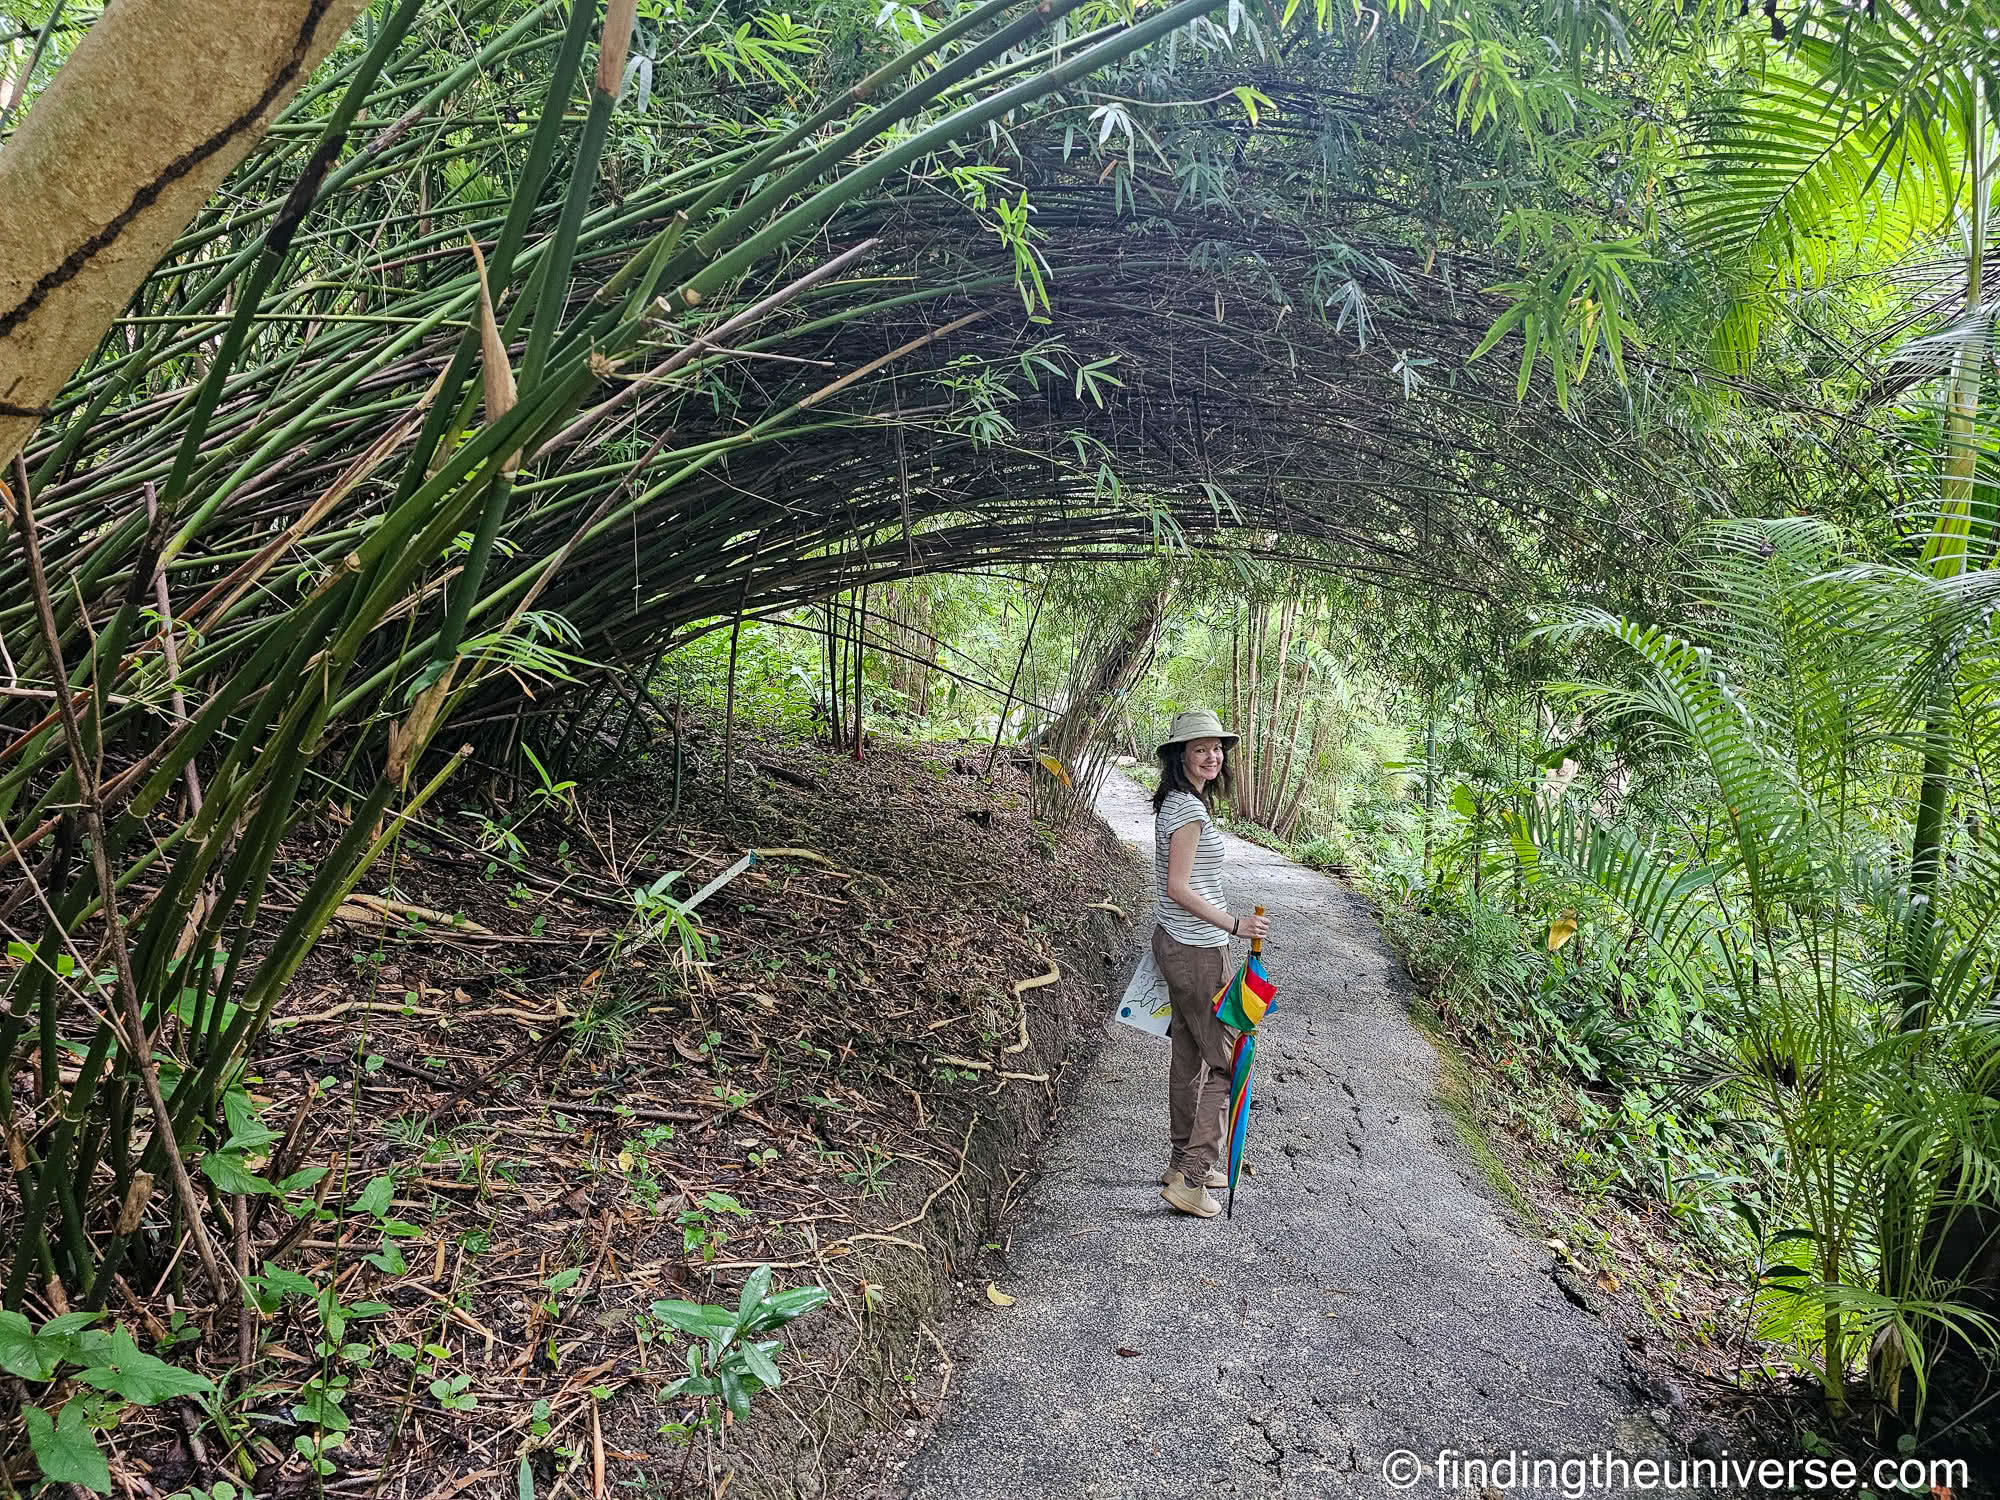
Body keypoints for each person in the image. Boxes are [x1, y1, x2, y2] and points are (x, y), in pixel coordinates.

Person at [1150, 708, 1270, 1218]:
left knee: (1189, 1054)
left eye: (1217, 747)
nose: (1212, 755)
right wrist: (1233, 925)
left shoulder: (1183, 804)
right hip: (1195, 949)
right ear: (1181, 756)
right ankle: (1192, 1177)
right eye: (1200, 748)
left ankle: (1182, 1161)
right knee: (1229, 1059)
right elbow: (1179, 888)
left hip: (1181, 944)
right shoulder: (1188, 812)